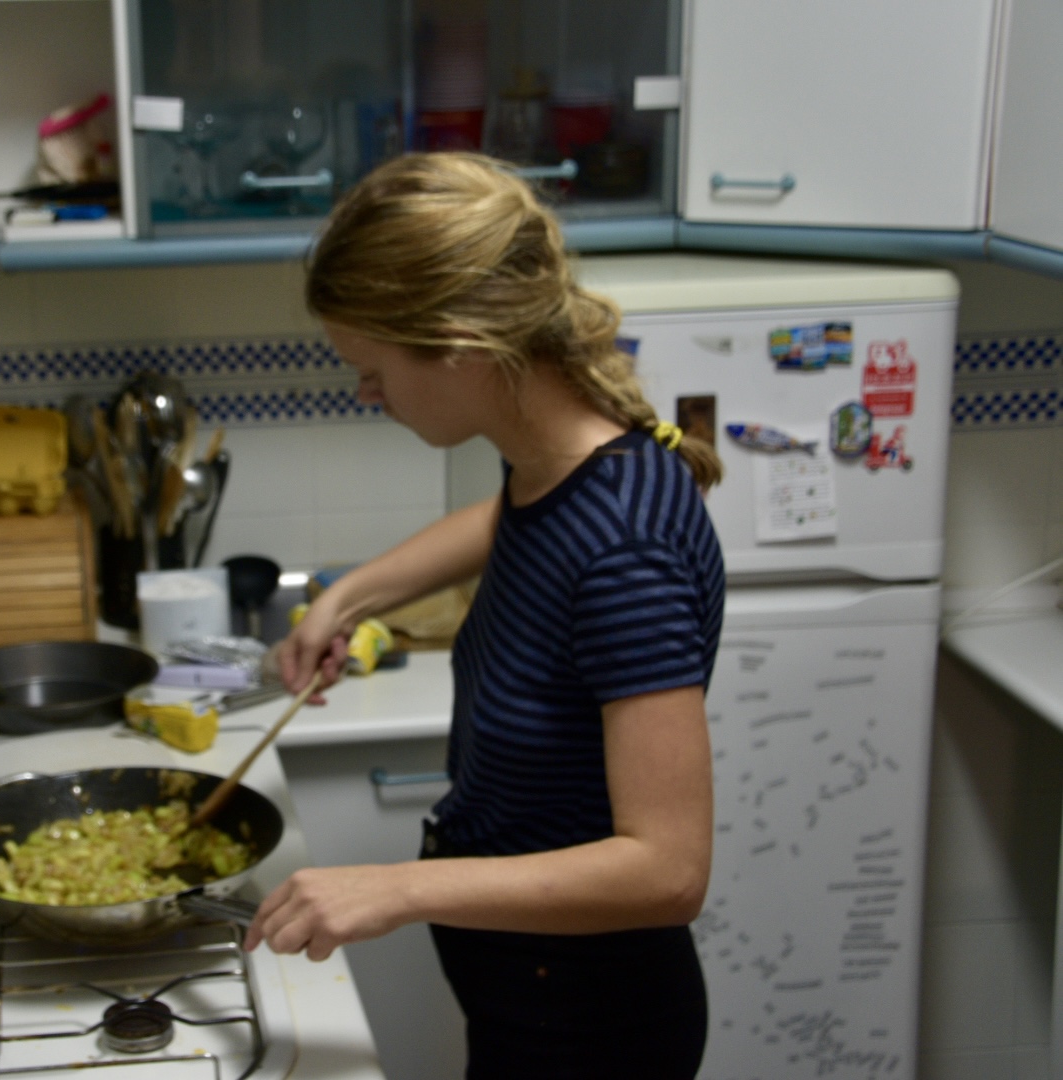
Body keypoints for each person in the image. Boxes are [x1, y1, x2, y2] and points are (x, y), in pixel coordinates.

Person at [242, 152, 725, 1080]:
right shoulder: (559, 456)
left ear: (459, 343)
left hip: (588, 1021)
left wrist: (394, 889)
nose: (366, 394)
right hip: (528, 984)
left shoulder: (628, 551)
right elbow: (513, 522)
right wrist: (350, 596)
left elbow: (669, 870)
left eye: (373, 369)